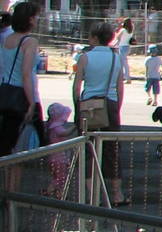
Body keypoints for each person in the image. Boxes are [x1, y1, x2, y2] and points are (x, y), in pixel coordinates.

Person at [73, 21, 128, 205]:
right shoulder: (116, 57)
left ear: (95, 38)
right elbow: (120, 87)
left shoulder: (85, 57)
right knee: (112, 149)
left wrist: (77, 105)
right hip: (110, 102)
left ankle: (91, 195)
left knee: (89, 148)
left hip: (89, 104)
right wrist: (117, 107)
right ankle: (117, 193)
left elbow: (77, 85)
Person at [0, 3, 42, 186]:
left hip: (5, 91)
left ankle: (6, 189)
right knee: (20, 148)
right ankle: (12, 193)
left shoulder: (7, 39)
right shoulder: (29, 42)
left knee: (6, 144)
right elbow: (26, 73)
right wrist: (32, 102)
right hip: (20, 95)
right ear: (30, 19)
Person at [43, 102, 73, 198]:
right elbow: (64, 133)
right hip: (59, 158)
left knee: (57, 177)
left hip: (53, 157)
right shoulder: (56, 127)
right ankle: (49, 191)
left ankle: (59, 193)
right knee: (60, 178)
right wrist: (75, 127)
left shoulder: (50, 126)